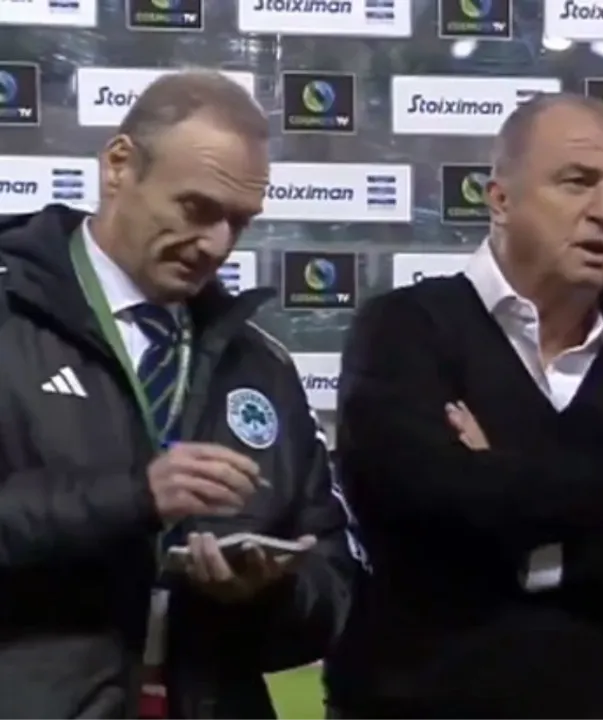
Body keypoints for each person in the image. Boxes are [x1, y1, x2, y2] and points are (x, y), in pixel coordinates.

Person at [325, 93, 603, 720]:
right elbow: (424, 503)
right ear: (500, 199)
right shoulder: (404, 329)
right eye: (577, 182)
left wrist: (503, 489)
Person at [0, 70, 356, 719]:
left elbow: (331, 589)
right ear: (119, 166)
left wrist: (266, 593)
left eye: (239, 222)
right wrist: (135, 497)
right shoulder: (9, 318)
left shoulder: (261, 367)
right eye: (197, 209)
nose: (218, 244)